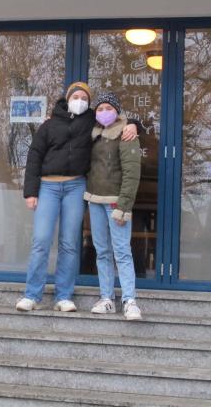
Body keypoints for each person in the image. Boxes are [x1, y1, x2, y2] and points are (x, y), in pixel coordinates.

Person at [16, 82, 138, 312]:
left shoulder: (91, 121)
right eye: (76, 96)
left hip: (76, 186)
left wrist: (133, 124)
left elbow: (113, 118)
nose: (79, 101)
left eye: (84, 98)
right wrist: (30, 192)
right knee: (41, 241)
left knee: (70, 243)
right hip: (48, 187)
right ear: (68, 98)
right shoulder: (49, 124)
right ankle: (32, 295)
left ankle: (64, 296)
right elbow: (34, 156)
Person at [84, 92, 142, 320]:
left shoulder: (126, 134)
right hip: (95, 201)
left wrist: (124, 206)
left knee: (122, 252)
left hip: (116, 202)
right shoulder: (93, 134)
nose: (104, 112)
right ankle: (107, 298)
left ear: (117, 111)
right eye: (100, 108)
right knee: (102, 252)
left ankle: (130, 300)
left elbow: (132, 173)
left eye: (109, 108)